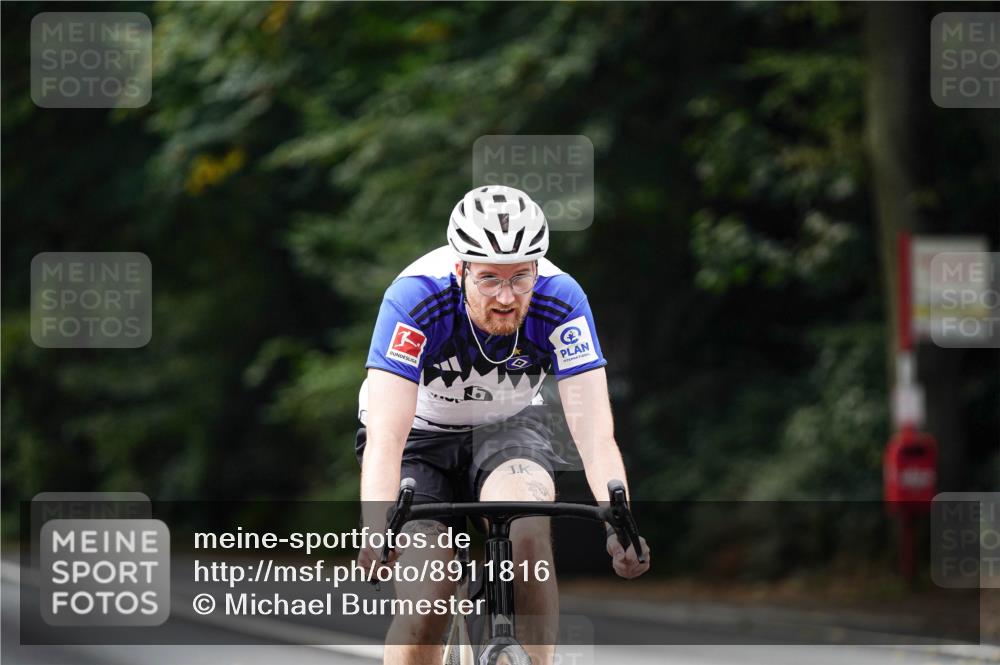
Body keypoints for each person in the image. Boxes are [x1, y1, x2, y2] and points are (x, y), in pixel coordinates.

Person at [355, 185, 650, 665]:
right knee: (429, 588)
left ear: (538, 269)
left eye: (521, 278)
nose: (507, 297)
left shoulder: (561, 299)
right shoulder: (416, 298)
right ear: (461, 269)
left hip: (507, 426)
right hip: (419, 438)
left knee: (529, 529)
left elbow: (595, 432)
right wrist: (376, 526)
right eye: (489, 278)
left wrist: (621, 522)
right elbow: (388, 435)